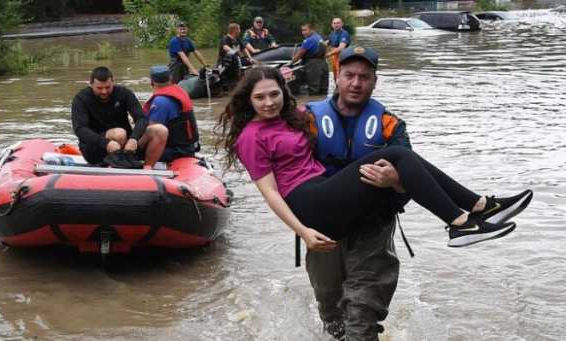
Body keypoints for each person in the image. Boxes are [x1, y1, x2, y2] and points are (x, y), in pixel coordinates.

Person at [214, 64, 533, 335]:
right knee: (397, 155)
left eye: (274, 94)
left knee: (401, 157)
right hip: (309, 203)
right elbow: (270, 193)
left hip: (330, 197)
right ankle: (465, 217)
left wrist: (285, 77)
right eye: (260, 97)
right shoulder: (251, 137)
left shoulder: (294, 116)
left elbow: (334, 108)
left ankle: (477, 209)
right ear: (248, 100)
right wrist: (302, 231)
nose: (268, 102)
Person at [300, 46, 409, 340]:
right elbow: (285, 176)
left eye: (364, 76)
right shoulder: (306, 121)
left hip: (372, 227)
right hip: (323, 231)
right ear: (337, 77)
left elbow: (412, 182)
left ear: (375, 81)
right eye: (349, 75)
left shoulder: (391, 126)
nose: (356, 83)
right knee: (331, 310)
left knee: (362, 312)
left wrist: (395, 180)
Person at [71, 66, 167, 167]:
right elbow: (80, 129)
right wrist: (106, 143)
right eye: (99, 88)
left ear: (113, 82)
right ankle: (113, 166)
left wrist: (134, 138)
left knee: (161, 130)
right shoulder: (81, 99)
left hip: (127, 147)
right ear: (91, 85)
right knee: (119, 134)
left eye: (108, 87)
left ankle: (147, 168)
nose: (104, 92)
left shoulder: (124, 93)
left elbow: (141, 119)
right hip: (96, 147)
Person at [142, 65, 200, 164]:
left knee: (131, 151)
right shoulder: (180, 91)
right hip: (190, 146)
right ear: (171, 78)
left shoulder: (160, 102)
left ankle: (146, 168)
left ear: (151, 82)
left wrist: (135, 144)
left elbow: (152, 133)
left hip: (177, 151)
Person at [291, 23, 329, 95]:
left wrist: (290, 64)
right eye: (302, 30)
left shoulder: (308, 40)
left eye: (305, 30)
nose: (303, 32)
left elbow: (299, 55)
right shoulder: (320, 38)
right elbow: (325, 53)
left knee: (313, 89)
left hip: (313, 65)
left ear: (311, 30)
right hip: (323, 64)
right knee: (324, 89)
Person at [218, 23, 255, 91]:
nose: (240, 30)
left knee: (248, 62)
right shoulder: (225, 38)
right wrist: (235, 53)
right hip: (226, 62)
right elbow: (225, 47)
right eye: (239, 29)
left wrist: (250, 58)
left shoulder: (237, 39)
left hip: (236, 61)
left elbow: (244, 49)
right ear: (235, 30)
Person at [324, 17, 351, 82]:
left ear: (342, 24)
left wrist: (328, 54)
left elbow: (341, 47)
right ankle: (336, 88)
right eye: (334, 23)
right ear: (332, 25)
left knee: (341, 75)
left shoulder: (344, 34)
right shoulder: (332, 33)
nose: (336, 25)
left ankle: (341, 89)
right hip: (334, 57)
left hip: (342, 57)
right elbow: (327, 42)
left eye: (338, 23)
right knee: (335, 76)